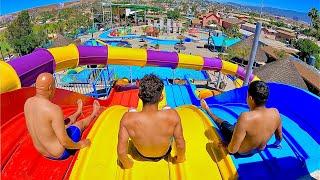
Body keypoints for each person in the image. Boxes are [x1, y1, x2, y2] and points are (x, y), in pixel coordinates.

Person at [24, 73, 101, 160]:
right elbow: (64, 142)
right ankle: (94, 114)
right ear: (50, 88)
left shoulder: (28, 103)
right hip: (59, 153)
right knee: (79, 124)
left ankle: (78, 112)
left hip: (43, 152)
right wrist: (80, 144)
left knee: (64, 123)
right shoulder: (53, 109)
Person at [117, 74, 186, 169]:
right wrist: (180, 159)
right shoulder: (173, 116)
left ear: (139, 96)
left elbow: (121, 152)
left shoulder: (127, 119)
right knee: (167, 108)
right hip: (164, 153)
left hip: (142, 154)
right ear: (161, 97)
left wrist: (128, 165)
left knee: (131, 110)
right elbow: (180, 144)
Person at [201, 80, 282, 155]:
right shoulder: (275, 112)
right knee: (239, 126)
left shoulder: (245, 118)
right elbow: (279, 138)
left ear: (250, 98)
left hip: (243, 152)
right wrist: (275, 145)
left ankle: (208, 110)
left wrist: (226, 145)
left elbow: (232, 150)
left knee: (224, 124)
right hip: (259, 149)